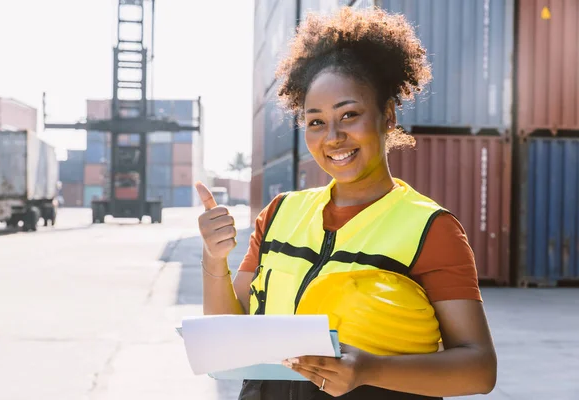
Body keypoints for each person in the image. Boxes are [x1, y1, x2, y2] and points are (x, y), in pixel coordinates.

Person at [195, 6, 497, 400]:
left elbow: (478, 369)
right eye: (316, 121)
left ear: (387, 116)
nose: (333, 137)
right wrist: (213, 259)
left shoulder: (431, 228)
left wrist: (369, 370)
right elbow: (228, 336)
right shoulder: (279, 214)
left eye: (349, 115)